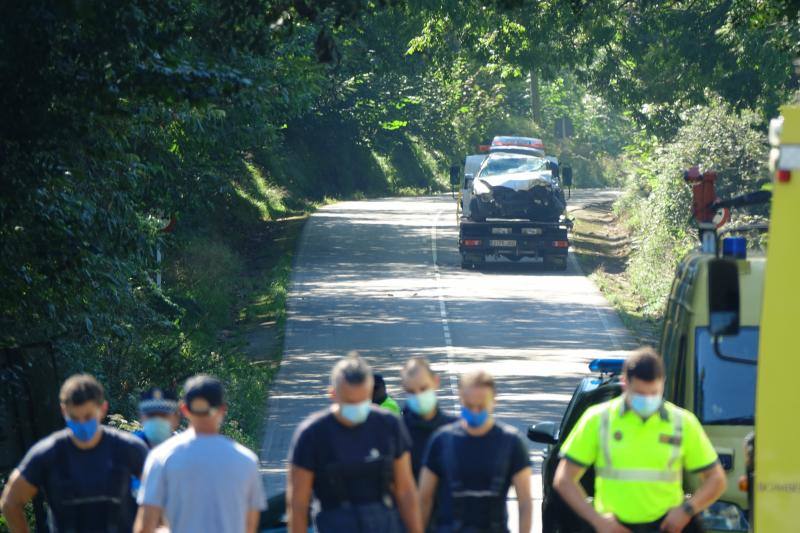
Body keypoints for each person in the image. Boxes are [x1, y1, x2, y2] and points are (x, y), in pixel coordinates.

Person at [553, 348, 727, 533]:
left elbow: (716, 479)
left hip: (665, 526)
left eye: (654, 393)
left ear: (663, 384)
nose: (648, 399)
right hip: (614, 527)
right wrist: (598, 520)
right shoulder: (598, 419)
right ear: (624, 383)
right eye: (640, 393)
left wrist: (687, 511)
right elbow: (564, 479)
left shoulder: (682, 422)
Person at [287, 353, 423, 533]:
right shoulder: (311, 434)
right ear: (333, 394)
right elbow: (298, 503)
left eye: (364, 400)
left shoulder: (389, 425)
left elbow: (405, 490)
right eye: (350, 402)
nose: (358, 407)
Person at [0, 374, 148, 533]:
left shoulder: (128, 448)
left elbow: (161, 493)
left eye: (88, 416)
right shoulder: (47, 454)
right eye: (75, 418)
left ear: (103, 409)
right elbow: (11, 502)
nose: (82, 424)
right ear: (64, 411)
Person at [134, 375, 266, 533]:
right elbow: (250, 526)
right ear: (223, 409)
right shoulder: (247, 460)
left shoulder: (161, 457)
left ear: (184, 409)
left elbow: (144, 527)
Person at [419, 369, 533, 533]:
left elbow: (525, 503)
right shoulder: (441, 440)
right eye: (469, 406)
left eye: (481, 406)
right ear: (461, 399)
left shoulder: (511, 442)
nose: (475, 412)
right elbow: (424, 499)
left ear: (494, 401)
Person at [400, 357, 456, 479]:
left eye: (423, 388)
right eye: (411, 391)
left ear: (436, 382)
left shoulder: (454, 429)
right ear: (404, 388)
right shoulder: (395, 432)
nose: (418, 396)